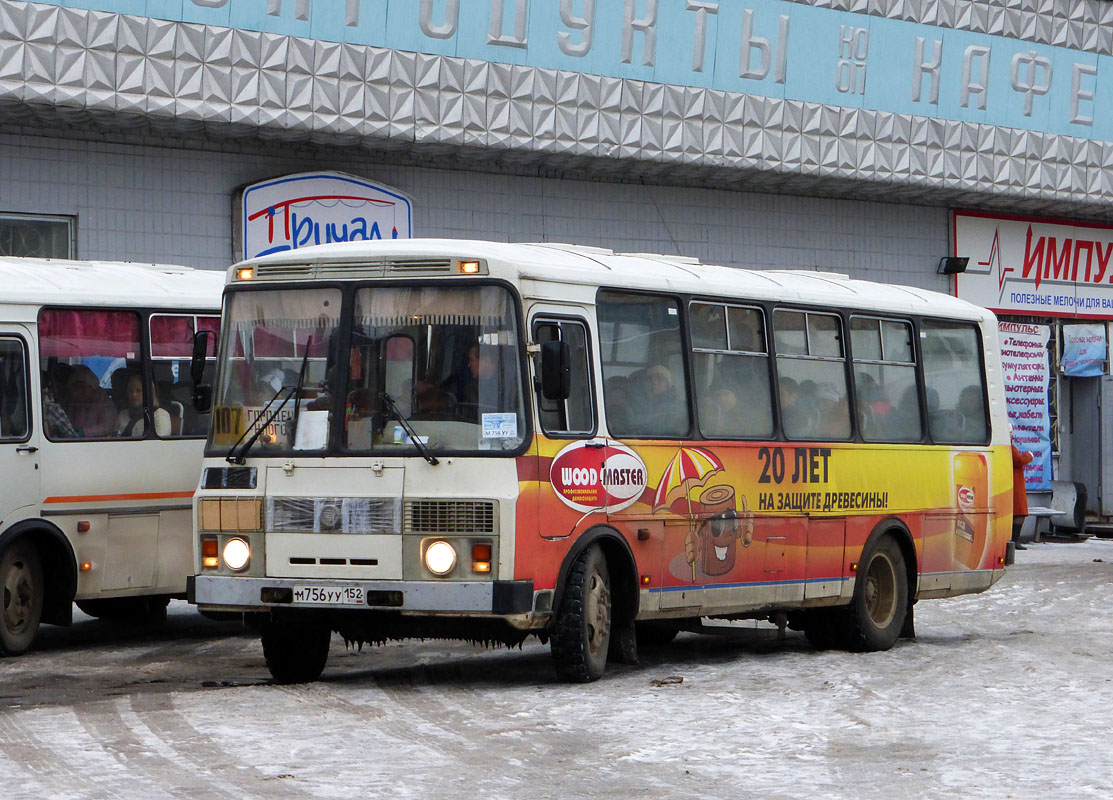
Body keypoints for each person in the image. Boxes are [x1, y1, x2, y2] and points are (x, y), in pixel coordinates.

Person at [66, 364, 116, 438]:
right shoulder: (74, 401)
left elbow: (106, 426)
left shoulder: (103, 401)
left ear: (92, 386)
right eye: (76, 387)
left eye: (83, 387)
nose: (79, 391)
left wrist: (84, 432)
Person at [116, 372, 171, 437]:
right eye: (130, 391)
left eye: (139, 391)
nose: (134, 394)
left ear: (150, 393)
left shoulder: (160, 415)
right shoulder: (123, 414)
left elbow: (160, 444)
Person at [1011, 440, 1034, 550]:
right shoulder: (1009, 446)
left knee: (1015, 512)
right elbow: (1019, 460)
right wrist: (1029, 455)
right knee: (1020, 511)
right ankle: (1014, 540)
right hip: (1015, 484)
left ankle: (1012, 539)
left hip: (1010, 483)